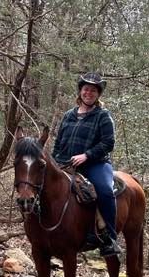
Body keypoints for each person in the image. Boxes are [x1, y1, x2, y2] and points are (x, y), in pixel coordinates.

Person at [52, 72, 121, 257]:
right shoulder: (68, 115)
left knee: (105, 190)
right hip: (65, 163)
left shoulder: (103, 116)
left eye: (92, 90)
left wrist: (86, 155)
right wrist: (53, 161)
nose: (88, 93)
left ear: (98, 94)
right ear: (80, 92)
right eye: (85, 89)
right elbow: (59, 142)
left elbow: (108, 143)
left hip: (95, 164)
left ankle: (110, 239)